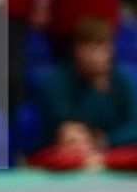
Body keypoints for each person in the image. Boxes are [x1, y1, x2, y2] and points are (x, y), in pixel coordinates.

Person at [36, 17, 137, 148]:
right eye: (93, 48)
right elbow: (69, 127)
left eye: (105, 48)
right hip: (63, 153)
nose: (99, 56)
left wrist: (106, 139)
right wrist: (96, 89)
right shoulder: (56, 80)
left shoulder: (122, 77)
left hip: (110, 151)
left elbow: (134, 126)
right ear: (77, 49)